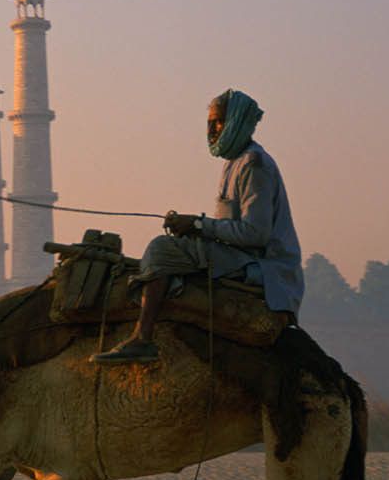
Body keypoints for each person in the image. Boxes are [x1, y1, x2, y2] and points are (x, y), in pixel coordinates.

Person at [91, 88, 303, 365]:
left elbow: (255, 234)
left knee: (162, 250)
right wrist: (194, 227)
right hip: (240, 254)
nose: (212, 129)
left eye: (219, 122)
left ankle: (143, 337)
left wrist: (198, 225)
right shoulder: (234, 162)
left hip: (262, 264)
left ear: (237, 122)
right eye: (210, 123)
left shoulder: (253, 164)